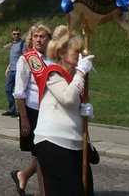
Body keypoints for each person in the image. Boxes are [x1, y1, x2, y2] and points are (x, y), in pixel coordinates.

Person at [34, 26, 95, 196]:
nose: (80, 54)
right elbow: (67, 99)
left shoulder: (75, 78)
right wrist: (81, 73)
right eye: (76, 50)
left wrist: (86, 110)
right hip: (53, 142)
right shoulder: (53, 74)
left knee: (86, 191)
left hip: (74, 143)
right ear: (61, 53)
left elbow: (74, 101)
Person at [11, 24, 51, 196]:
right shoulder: (26, 59)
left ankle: (23, 175)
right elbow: (19, 92)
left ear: (48, 38)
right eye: (35, 36)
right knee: (43, 154)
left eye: (42, 36)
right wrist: (24, 118)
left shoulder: (53, 58)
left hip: (51, 112)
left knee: (48, 151)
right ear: (31, 39)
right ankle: (44, 192)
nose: (39, 39)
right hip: (33, 112)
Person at [2, 27, 26, 117]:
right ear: (12, 34)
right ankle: (12, 109)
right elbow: (13, 58)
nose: (16, 35)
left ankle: (21, 111)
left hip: (18, 70)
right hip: (11, 70)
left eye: (18, 34)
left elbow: (24, 57)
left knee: (18, 91)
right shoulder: (13, 44)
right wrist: (8, 67)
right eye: (14, 34)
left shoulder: (22, 44)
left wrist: (22, 69)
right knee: (7, 90)